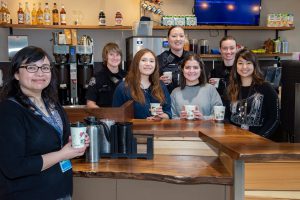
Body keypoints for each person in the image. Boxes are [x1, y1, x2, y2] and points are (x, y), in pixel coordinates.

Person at [0, 46, 89, 200]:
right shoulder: (9, 111)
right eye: (31, 67)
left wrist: (74, 146)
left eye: (45, 67)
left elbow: (60, 144)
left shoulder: (52, 104)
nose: (40, 73)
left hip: (61, 192)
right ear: (16, 73)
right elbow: (13, 167)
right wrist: (62, 154)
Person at [225, 49, 279, 138]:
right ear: (236, 66)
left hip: (259, 142)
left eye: (248, 63)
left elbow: (274, 119)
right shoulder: (231, 88)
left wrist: (260, 138)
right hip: (235, 140)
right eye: (240, 63)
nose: (244, 67)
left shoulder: (266, 88)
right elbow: (227, 117)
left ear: (254, 65)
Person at [113, 48, 171, 119]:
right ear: (136, 64)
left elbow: (168, 112)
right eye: (144, 60)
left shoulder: (160, 86)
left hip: (157, 129)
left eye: (152, 61)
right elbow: (116, 116)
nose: (148, 64)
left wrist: (162, 116)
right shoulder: (123, 88)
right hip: (133, 129)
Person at [171, 54, 222, 120]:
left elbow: (219, 114)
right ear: (183, 70)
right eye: (187, 67)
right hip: (182, 130)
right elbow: (170, 118)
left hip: (206, 130)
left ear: (201, 70)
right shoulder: (175, 92)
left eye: (195, 67)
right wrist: (180, 119)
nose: (191, 71)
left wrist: (203, 118)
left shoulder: (210, 90)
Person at [86, 42, 126, 107]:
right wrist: (102, 114)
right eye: (111, 54)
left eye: (118, 55)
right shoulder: (97, 77)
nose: (115, 58)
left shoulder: (127, 76)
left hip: (123, 115)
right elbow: (90, 103)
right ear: (105, 57)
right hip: (104, 116)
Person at [157, 26, 191, 93]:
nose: (178, 39)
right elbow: (150, 81)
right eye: (174, 36)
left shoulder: (192, 57)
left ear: (185, 38)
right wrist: (158, 81)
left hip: (189, 100)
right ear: (168, 39)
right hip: (167, 99)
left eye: (181, 36)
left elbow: (203, 79)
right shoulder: (160, 59)